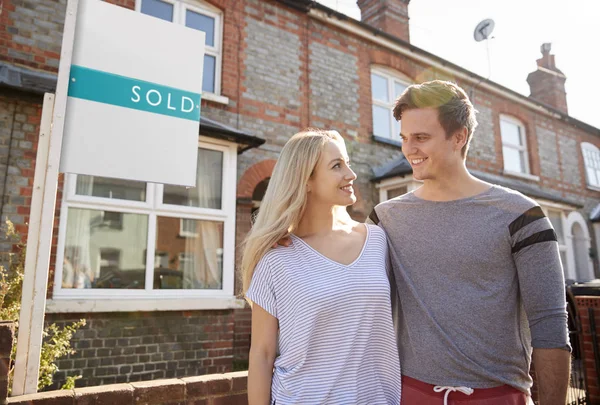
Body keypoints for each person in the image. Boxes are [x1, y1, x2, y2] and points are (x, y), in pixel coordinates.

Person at [368, 80, 570, 405]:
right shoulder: (384, 219)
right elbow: (345, 274)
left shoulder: (520, 215)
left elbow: (550, 327)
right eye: (405, 138)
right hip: (409, 394)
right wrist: (293, 236)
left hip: (499, 396)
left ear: (458, 137)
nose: (408, 149)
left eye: (421, 138)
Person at [242, 129, 401, 405]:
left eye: (347, 163)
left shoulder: (377, 240)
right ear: (306, 181)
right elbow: (262, 354)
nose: (351, 174)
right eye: (337, 166)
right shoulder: (276, 259)